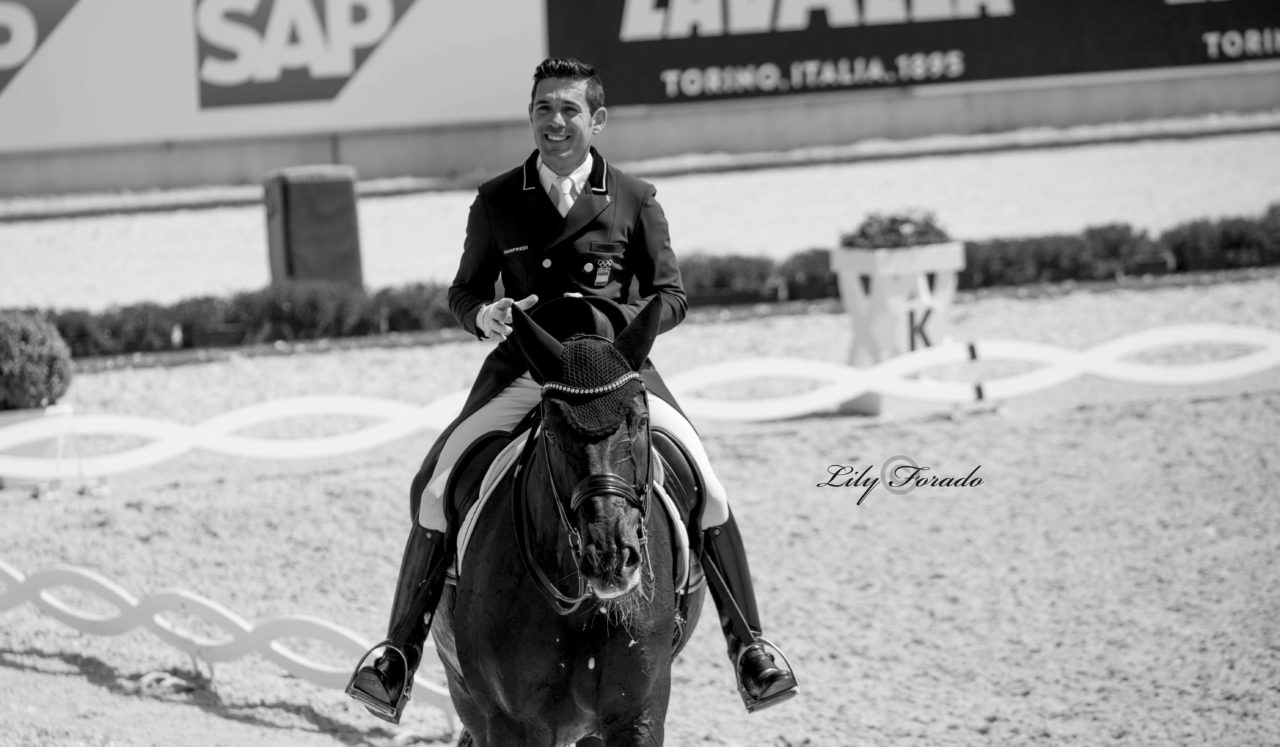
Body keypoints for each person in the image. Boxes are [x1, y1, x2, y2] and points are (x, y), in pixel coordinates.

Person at [348, 57, 797, 722]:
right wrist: (485, 315)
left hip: (616, 374)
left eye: (568, 110)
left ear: (596, 119)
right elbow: (464, 289)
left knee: (709, 484)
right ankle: (397, 655)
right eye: (543, 109)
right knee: (437, 486)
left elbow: (671, 293)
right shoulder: (497, 198)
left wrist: (634, 331)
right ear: (531, 116)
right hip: (527, 371)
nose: (554, 121)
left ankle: (750, 647)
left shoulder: (635, 197)